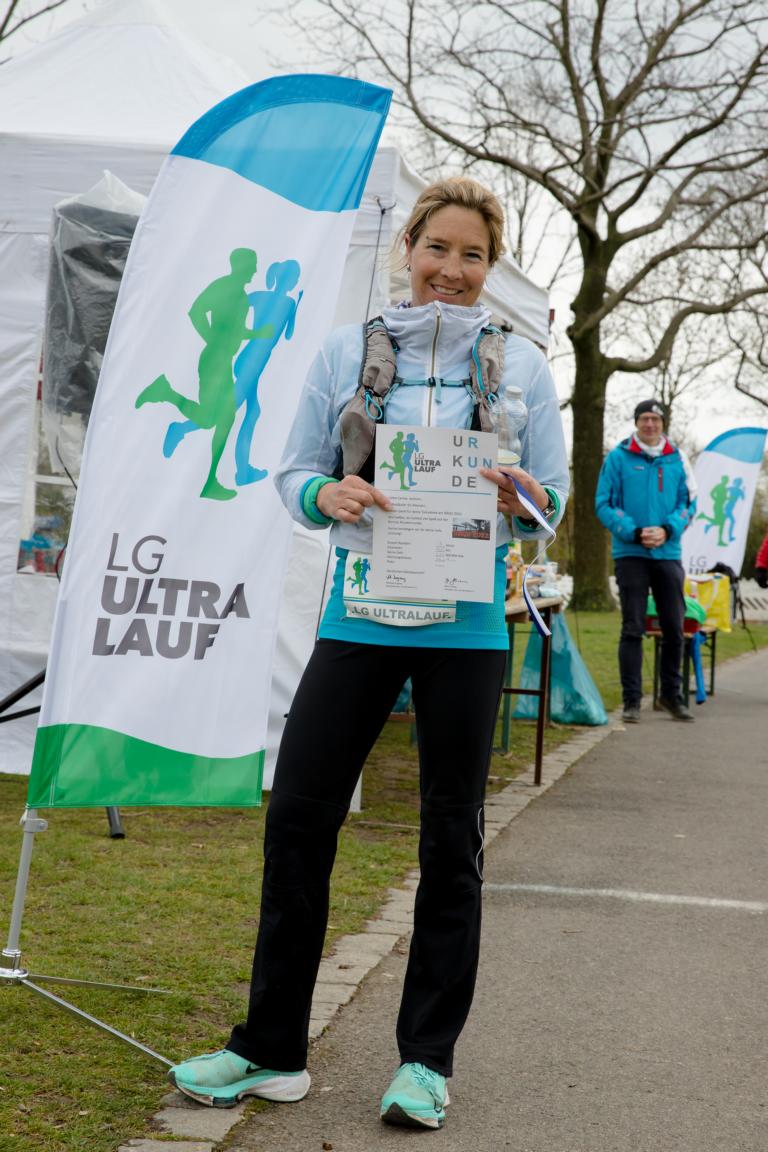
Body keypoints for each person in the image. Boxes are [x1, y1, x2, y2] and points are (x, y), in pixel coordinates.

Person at [168, 176, 569, 1130]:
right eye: (438, 248)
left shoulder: (523, 366)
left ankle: (425, 1062)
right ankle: (271, 1051)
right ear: (409, 248)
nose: (452, 270)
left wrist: (519, 497)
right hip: (360, 615)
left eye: (473, 256)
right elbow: (295, 473)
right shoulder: (347, 351)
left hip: (468, 626)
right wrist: (328, 497)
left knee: (450, 842)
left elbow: (550, 500)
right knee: (298, 821)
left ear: (490, 266)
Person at [595, 399, 696, 724]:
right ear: (636, 422)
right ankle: (632, 701)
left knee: (674, 628)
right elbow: (603, 503)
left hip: (668, 553)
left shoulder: (678, 458)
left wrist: (668, 529)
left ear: (663, 423)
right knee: (633, 628)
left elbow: (689, 504)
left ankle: (671, 696)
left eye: (655, 418)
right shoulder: (617, 457)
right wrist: (634, 532)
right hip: (631, 553)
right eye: (644, 419)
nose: (650, 424)